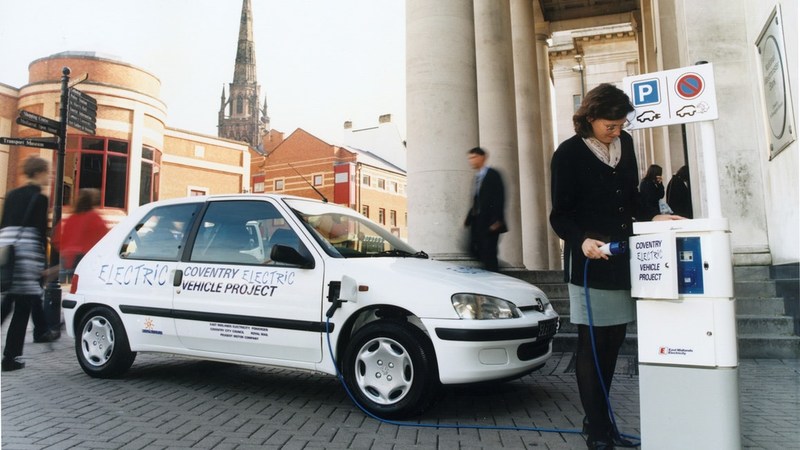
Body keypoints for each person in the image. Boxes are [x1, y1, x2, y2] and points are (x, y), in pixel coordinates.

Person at [549, 84, 682, 449]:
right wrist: (581, 241)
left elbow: (634, 200)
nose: (617, 131)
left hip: (623, 261)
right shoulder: (568, 154)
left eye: (621, 124)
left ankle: (602, 422)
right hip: (591, 260)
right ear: (590, 118)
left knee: (612, 345)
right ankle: (596, 428)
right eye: (610, 125)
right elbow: (559, 214)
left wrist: (655, 216)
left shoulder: (626, 146)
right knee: (592, 346)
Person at [0, 156, 58, 371]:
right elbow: (40, 233)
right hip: (26, 254)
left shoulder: (12, 194)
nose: (49, 176)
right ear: (38, 172)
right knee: (22, 307)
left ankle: (12, 356)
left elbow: (3, 224)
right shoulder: (39, 198)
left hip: (8, 250)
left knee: (8, 302)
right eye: (47, 172)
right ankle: (10, 359)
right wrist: (42, 262)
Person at [464, 147, 507, 271]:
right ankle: (491, 267)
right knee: (472, 248)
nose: (471, 161)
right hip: (477, 221)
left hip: (490, 222)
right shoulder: (477, 177)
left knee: (489, 252)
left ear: (482, 157)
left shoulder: (493, 175)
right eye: (469, 158)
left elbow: (500, 197)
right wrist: (468, 219)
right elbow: (477, 200)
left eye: (473, 157)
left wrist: (498, 220)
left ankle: (494, 271)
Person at [51, 188, 109, 281]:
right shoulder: (95, 217)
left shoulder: (71, 218)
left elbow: (57, 238)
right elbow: (105, 239)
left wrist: (66, 250)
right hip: (86, 258)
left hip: (68, 257)